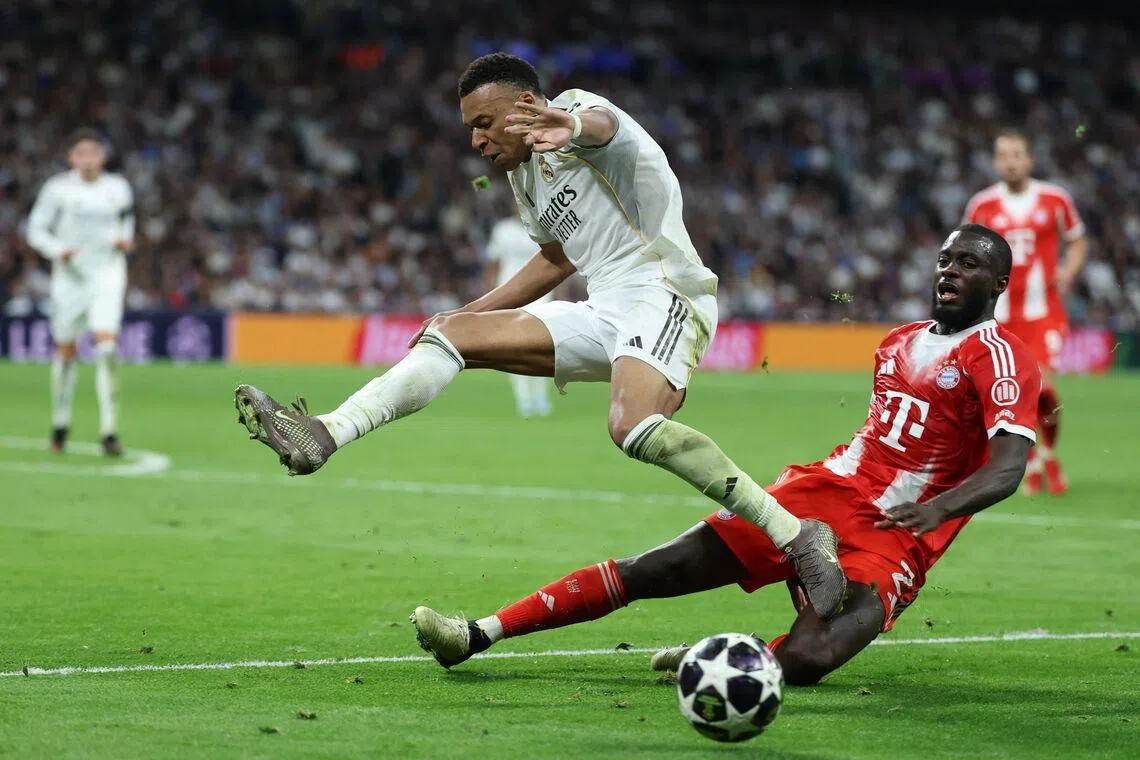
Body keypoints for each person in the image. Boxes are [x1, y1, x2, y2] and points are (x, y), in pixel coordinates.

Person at [232, 52, 847, 618]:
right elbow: (556, 259)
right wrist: (471, 312)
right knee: (452, 335)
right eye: (469, 127)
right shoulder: (523, 178)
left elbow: (601, 124)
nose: (475, 140)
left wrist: (568, 127)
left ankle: (796, 535)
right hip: (604, 305)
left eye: (485, 122)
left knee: (630, 426)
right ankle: (325, 434)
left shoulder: (578, 114)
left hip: (664, 292)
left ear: (525, 107)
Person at [410, 224, 1041, 685]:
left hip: (899, 534)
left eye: (969, 265)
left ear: (1000, 283)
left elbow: (1009, 465)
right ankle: (479, 633)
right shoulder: (898, 341)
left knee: (807, 660)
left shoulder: (1002, 355)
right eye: (945, 260)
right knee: (657, 569)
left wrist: (942, 508)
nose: (950, 272)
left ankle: (714, 658)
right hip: (821, 495)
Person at [963, 129, 1087, 496]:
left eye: (1016, 154)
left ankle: (1048, 455)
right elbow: (966, 252)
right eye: (1003, 155)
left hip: (1044, 312)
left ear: (1029, 160)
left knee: (1043, 388)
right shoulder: (982, 205)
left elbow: (1077, 239)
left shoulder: (1055, 199)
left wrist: (1068, 271)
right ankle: (1033, 462)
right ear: (995, 161)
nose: (1009, 162)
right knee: (1016, 392)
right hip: (999, 316)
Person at [26, 128, 135, 457]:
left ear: (103, 156)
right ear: (72, 158)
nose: (89, 159)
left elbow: (126, 221)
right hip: (69, 278)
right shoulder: (58, 189)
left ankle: (109, 430)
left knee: (106, 348)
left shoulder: (118, 188)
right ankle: (60, 424)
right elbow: (35, 229)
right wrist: (58, 249)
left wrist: (123, 239)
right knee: (65, 352)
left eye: (94, 153)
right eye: (82, 153)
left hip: (107, 274)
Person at [484, 206, 553, 418]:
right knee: (514, 348)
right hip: (508, 293)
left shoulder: (544, 225)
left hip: (541, 294)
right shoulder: (502, 229)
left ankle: (541, 396)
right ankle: (523, 399)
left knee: (541, 347)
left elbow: (555, 261)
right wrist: (487, 297)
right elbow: (493, 263)